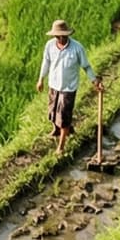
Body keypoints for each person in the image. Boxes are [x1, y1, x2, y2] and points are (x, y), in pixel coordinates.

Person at [37, 18, 99, 155]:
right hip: (53, 84)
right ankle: (56, 129)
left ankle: (61, 145)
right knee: (52, 111)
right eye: (58, 36)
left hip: (69, 87)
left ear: (67, 35)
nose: (61, 39)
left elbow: (86, 66)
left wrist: (94, 81)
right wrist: (41, 79)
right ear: (54, 36)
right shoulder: (49, 46)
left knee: (64, 116)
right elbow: (45, 62)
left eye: (63, 36)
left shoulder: (77, 48)